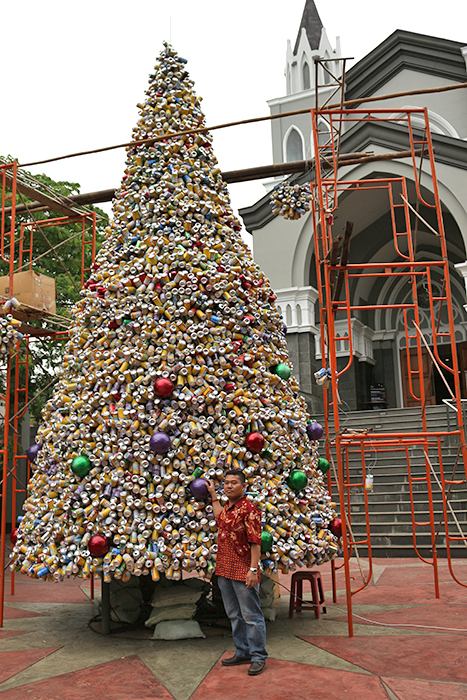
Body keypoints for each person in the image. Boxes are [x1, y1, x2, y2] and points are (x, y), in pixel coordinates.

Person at [206, 469, 268, 676]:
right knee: (234, 614)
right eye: (226, 483)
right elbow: (220, 519)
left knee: (251, 615)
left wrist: (252, 570)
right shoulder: (228, 507)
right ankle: (242, 651)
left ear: (244, 486)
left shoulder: (249, 510)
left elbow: (255, 542)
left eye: (234, 483)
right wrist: (214, 495)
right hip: (224, 569)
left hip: (243, 571)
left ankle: (258, 656)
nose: (229, 486)